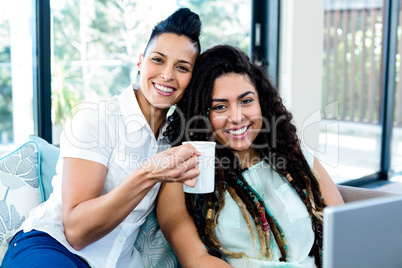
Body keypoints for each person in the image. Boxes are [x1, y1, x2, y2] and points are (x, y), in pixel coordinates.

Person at [2, 8, 202, 268]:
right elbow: (76, 232)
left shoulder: (173, 140)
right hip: (52, 247)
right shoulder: (98, 118)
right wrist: (149, 173)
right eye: (158, 59)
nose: (167, 75)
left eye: (182, 67)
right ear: (140, 62)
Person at [157, 45, 344, 268]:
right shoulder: (183, 175)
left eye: (246, 101)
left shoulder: (295, 157)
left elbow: (343, 231)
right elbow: (196, 260)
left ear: (261, 103)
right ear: (200, 115)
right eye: (219, 106)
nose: (236, 117)